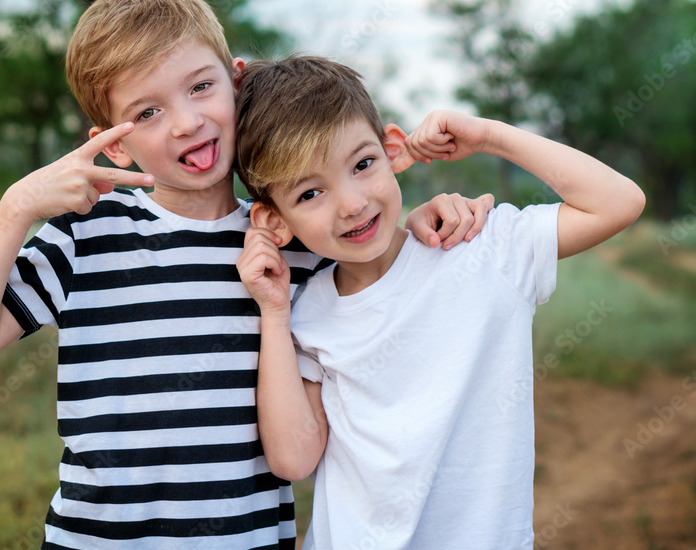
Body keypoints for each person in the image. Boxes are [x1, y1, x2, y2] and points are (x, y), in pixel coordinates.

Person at [0, 0, 495, 550]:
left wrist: (428, 218)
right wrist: (15, 208)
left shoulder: (292, 238)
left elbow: (375, 247)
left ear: (236, 82)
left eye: (201, 87)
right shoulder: (87, 234)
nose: (185, 122)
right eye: (147, 112)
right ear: (113, 145)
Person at [234, 55, 646, 549]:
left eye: (362, 165)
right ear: (275, 222)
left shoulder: (484, 249)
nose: (352, 204)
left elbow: (619, 202)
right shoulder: (307, 311)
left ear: (392, 150)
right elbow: (294, 460)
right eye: (310, 193)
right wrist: (274, 312)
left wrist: (488, 136)